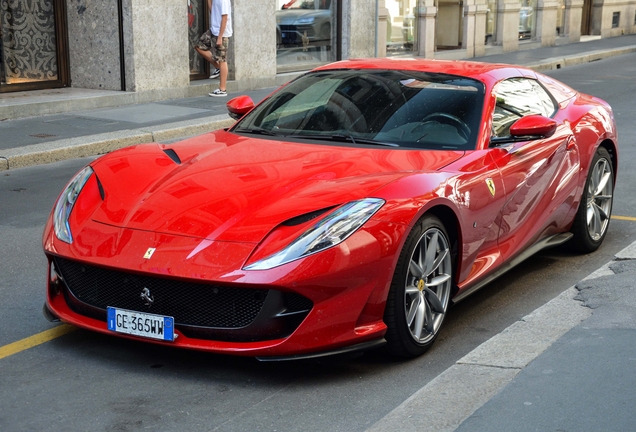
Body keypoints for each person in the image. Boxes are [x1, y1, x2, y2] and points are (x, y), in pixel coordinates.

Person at [195, 0, 233, 97]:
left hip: (222, 33)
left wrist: (220, 37)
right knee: (199, 46)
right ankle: (217, 67)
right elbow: (213, 11)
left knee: (222, 59)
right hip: (213, 30)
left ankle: (222, 89)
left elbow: (225, 18)